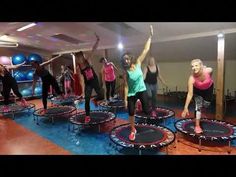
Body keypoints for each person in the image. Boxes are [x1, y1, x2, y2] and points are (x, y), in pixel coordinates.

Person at [121, 25, 153, 141]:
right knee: (130, 112)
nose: (126, 60)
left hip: (141, 90)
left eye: (127, 58)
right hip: (131, 93)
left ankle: (141, 103)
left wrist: (150, 36)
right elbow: (125, 86)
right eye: (124, 60)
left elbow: (146, 49)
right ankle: (133, 129)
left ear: (130, 58)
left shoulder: (138, 62)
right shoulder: (126, 72)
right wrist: (125, 99)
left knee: (146, 110)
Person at [75, 33, 104, 123]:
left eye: (79, 57)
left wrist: (97, 41)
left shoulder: (87, 60)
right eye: (77, 58)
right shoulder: (78, 68)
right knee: (86, 100)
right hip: (88, 83)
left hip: (94, 80)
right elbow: (81, 80)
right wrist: (83, 91)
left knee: (101, 96)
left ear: (82, 57)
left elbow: (93, 49)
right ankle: (87, 116)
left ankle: (95, 100)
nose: (79, 59)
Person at [181, 59, 214, 134]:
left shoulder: (208, 70)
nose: (194, 68)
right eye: (192, 66)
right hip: (197, 91)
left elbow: (211, 74)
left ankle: (202, 111)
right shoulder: (191, 78)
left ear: (201, 66)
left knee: (206, 104)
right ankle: (197, 126)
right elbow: (189, 94)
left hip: (208, 88)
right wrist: (185, 107)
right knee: (198, 106)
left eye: (196, 65)